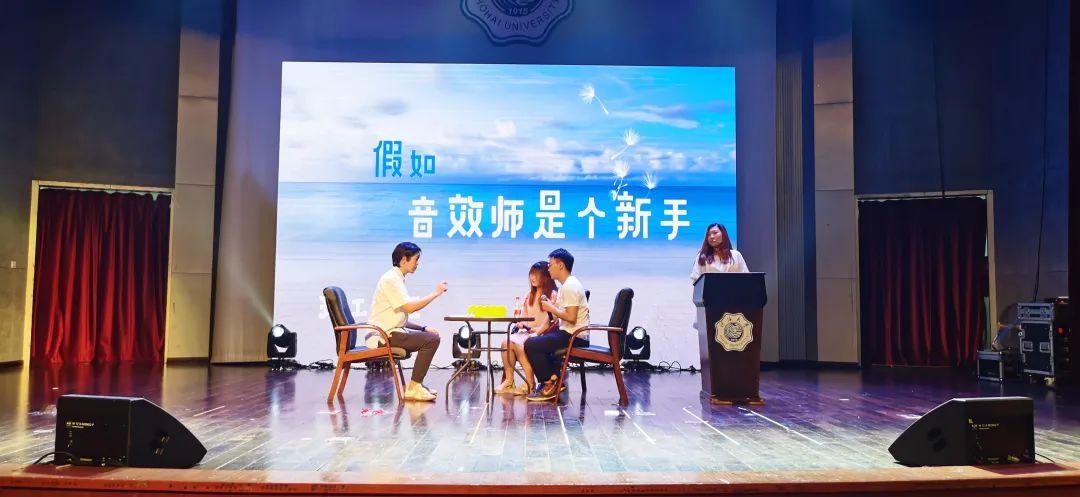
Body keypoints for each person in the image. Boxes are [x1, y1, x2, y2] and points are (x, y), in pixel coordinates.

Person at [368, 242, 447, 402]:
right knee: (432, 340)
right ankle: (414, 387)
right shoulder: (391, 279)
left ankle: (416, 386)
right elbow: (410, 308)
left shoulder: (396, 278)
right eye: (416, 259)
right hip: (383, 337)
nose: (418, 264)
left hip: (391, 332)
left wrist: (423, 328)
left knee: (430, 335)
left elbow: (401, 318)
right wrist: (436, 293)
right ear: (404, 260)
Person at [525, 248, 590, 402]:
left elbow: (571, 317)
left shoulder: (570, 286)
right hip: (567, 332)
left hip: (575, 336)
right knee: (535, 341)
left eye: (550, 264)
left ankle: (549, 382)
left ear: (560, 265)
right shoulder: (565, 286)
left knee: (531, 345)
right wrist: (538, 331)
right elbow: (554, 316)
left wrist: (551, 308)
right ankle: (553, 379)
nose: (548, 268)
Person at [495, 261, 558, 396]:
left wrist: (537, 332)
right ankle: (509, 380)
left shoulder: (553, 295)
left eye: (536, 275)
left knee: (519, 345)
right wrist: (520, 323)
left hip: (543, 334)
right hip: (528, 332)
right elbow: (524, 318)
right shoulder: (529, 295)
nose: (532, 278)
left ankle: (530, 383)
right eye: (531, 275)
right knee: (506, 343)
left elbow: (551, 321)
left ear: (545, 276)